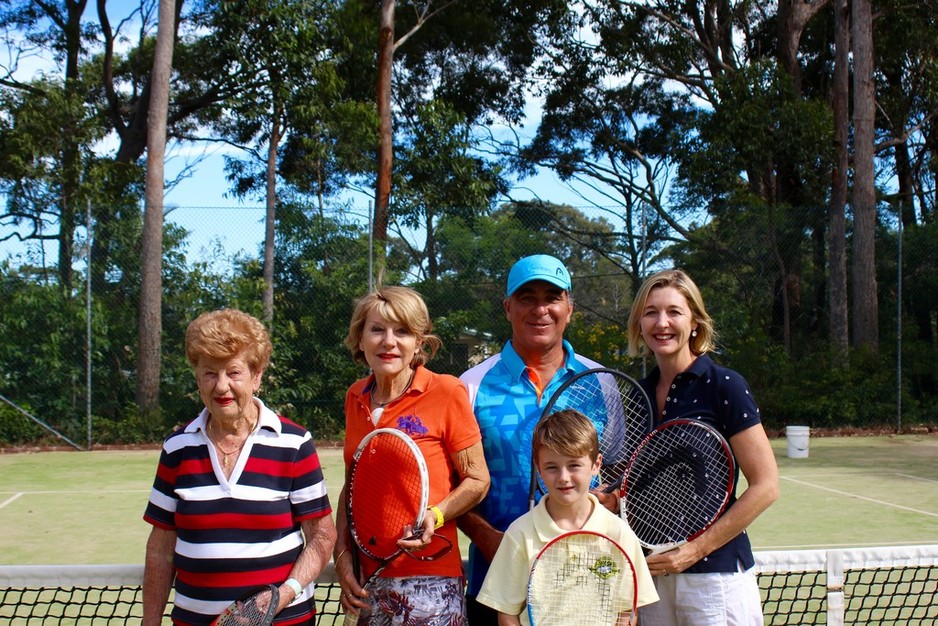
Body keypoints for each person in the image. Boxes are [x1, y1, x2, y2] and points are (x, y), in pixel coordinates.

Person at [142, 309, 337, 626]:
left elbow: (322, 537)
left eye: (233, 373)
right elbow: (160, 550)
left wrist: (280, 597)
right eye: (209, 373)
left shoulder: (294, 444)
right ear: (197, 377)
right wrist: (149, 623)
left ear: (256, 375)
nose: (221, 387)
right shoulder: (176, 448)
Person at [458, 254, 610, 625]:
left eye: (552, 297)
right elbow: (453, 484)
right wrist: (489, 538)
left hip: (584, 588)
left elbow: (615, 466)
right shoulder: (471, 385)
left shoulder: (602, 382)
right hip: (494, 587)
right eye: (527, 297)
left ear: (569, 308)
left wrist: (608, 499)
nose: (540, 309)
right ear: (508, 307)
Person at [626, 269, 779, 625]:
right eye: (650, 312)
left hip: (716, 578)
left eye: (674, 312)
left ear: (694, 321)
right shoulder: (638, 394)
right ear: (640, 322)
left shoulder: (724, 385)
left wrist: (695, 550)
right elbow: (637, 486)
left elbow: (766, 486)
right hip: (653, 577)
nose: (661, 322)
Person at [334, 286, 490, 626]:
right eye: (377, 329)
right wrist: (343, 554)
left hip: (430, 582)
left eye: (402, 331)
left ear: (419, 342)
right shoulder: (354, 397)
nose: (389, 341)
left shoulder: (446, 391)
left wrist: (434, 515)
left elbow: (478, 479)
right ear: (360, 339)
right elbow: (351, 487)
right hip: (366, 582)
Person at [477, 409, 658, 625]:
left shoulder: (619, 533)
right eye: (552, 467)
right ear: (538, 468)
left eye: (574, 465)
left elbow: (627, 611)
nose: (563, 478)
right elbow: (507, 613)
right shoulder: (520, 534)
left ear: (596, 465)